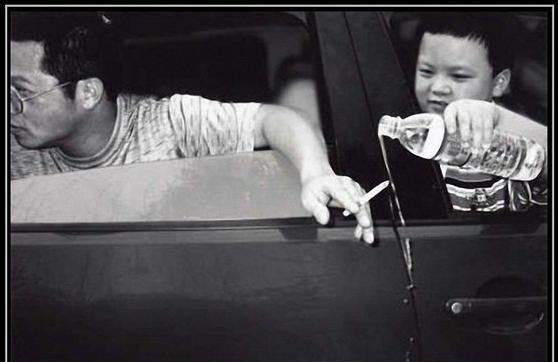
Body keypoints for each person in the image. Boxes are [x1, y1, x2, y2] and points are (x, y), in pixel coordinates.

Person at [9, 11, 375, 243]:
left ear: (88, 92)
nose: (11, 107)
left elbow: (275, 119)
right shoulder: (14, 151)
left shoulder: (172, 121)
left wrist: (315, 175)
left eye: (19, 92)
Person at [412, 12, 547, 212]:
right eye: (426, 72)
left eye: (459, 76)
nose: (438, 87)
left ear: (499, 83)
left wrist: (498, 118)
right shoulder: (409, 137)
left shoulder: (512, 144)